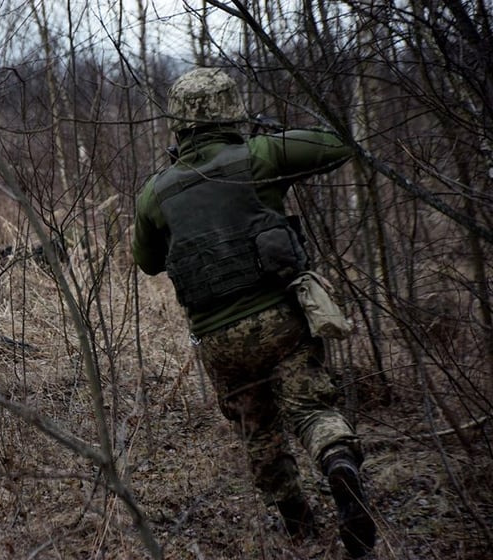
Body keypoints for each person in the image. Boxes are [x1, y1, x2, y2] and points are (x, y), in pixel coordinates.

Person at [132, 67, 377, 558]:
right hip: (279, 318)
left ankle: (297, 521)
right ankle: (337, 463)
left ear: (177, 124)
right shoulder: (259, 156)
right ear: (231, 112)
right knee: (311, 408)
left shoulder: (155, 192)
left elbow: (148, 262)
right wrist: (270, 134)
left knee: (257, 426)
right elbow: (337, 144)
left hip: (217, 336)